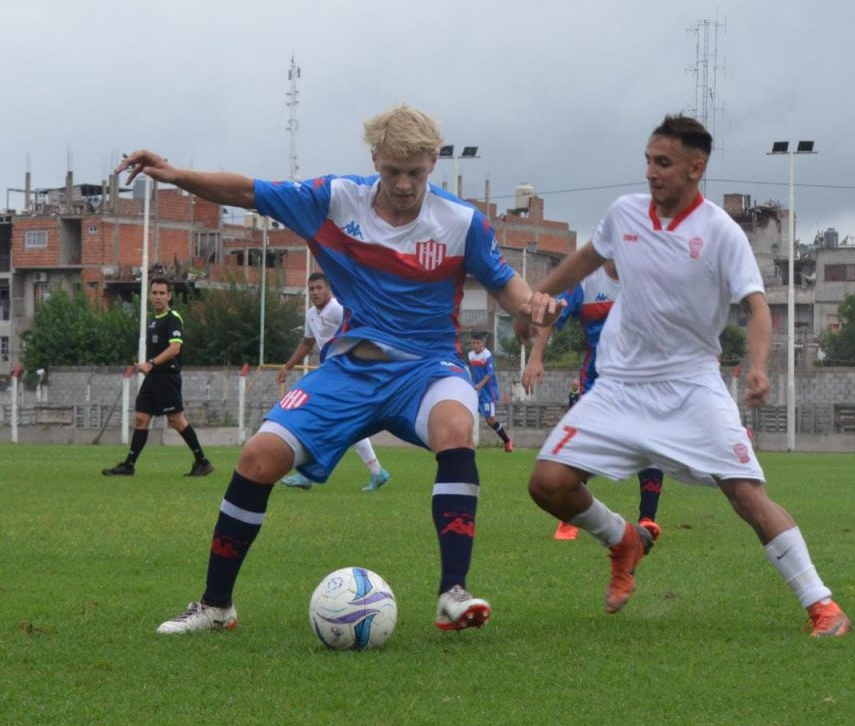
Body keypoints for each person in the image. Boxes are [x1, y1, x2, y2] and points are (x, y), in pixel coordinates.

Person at [118, 103, 556, 635]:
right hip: (350, 369)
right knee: (258, 458)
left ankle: (453, 592)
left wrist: (535, 310)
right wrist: (176, 174)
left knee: (456, 429)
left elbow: (514, 295)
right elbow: (247, 191)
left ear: (433, 163)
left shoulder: (462, 224)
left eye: (414, 173)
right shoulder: (333, 200)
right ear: (375, 158)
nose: (402, 184)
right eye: (392, 170)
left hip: (428, 368)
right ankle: (216, 606)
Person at [518, 114, 849, 637]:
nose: (651, 172)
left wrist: (758, 368)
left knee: (746, 493)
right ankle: (623, 539)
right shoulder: (625, 214)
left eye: (664, 162)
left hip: (692, 386)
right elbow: (582, 260)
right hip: (620, 386)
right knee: (547, 484)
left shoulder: (720, 233)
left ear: (696, 168)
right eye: (648, 160)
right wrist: (536, 300)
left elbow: (759, 308)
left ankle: (822, 605)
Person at [522, 260, 664, 542]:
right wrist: (536, 355)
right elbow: (551, 315)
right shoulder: (585, 282)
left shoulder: (647, 278)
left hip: (641, 380)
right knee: (579, 448)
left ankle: (648, 519)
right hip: (597, 383)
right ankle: (569, 519)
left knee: (649, 445)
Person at [276, 272, 391, 492]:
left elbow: (361, 333)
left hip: (347, 372)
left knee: (317, 415)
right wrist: (287, 366)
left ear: (329, 289)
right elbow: (307, 343)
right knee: (342, 423)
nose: (315, 292)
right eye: (311, 289)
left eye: (319, 288)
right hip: (331, 371)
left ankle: (309, 475)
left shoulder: (339, 309)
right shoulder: (311, 314)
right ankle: (377, 472)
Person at [102, 276, 213, 478]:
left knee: (177, 421)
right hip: (153, 378)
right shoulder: (154, 320)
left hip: (166, 377)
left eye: (162, 293)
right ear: (150, 295)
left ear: (169, 296)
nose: (158, 297)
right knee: (141, 418)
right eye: (155, 293)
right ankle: (129, 465)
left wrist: (151, 363)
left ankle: (202, 461)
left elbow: (175, 348)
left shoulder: (173, 318)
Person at [466, 333, 513, 452]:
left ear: (482, 344)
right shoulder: (470, 355)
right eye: (473, 343)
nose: (475, 345)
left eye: (478, 343)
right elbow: (471, 371)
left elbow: (490, 373)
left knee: (490, 420)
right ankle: (465, 443)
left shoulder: (486, 355)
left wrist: (480, 385)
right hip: (476, 390)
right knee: (467, 414)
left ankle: (507, 440)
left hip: (487, 392)